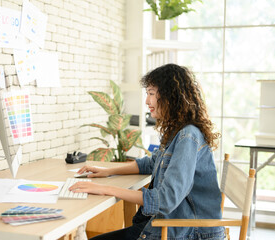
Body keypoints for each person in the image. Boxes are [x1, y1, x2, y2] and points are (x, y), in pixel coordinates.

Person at [69, 63, 225, 240]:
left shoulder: (187, 137)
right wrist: (107, 171)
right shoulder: (177, 131)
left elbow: (165, 200)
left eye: (151, 93)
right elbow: (151, 163)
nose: (147, 101)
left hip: (186, 233)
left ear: (170, 97)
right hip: (172, 226)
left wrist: (105, 189)